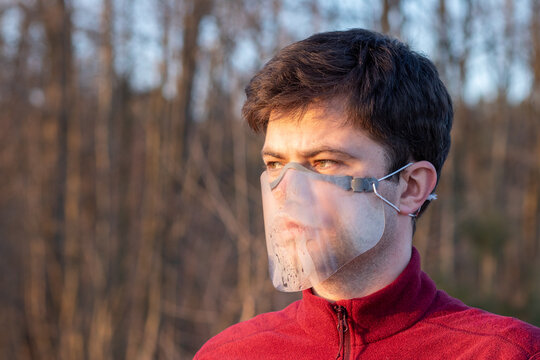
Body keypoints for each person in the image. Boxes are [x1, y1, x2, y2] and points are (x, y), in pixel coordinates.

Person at [195, 29, 540, 359]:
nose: (287, 191)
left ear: (411, 187)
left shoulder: (508, 353)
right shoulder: (227, 354)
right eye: (274, 163)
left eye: (324, 162)